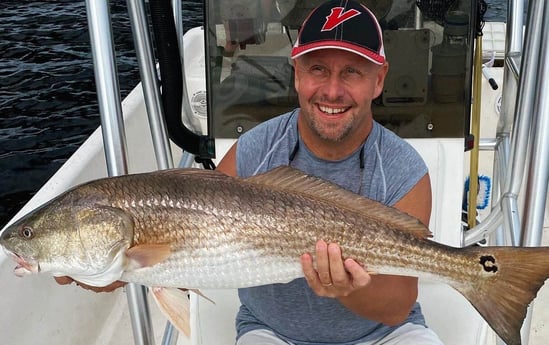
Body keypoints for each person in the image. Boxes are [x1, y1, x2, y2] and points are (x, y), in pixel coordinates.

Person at [215, 0, 443, 344]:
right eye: (318, 69)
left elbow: (397, 306)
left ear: (379, 80)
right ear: (297, 74)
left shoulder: (404, 169)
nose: (333, 91)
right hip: (271, 332)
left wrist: (345, 289)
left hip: (385, 334)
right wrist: (118, 266)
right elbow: (196, 239)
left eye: (352, 72)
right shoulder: (252, 152)